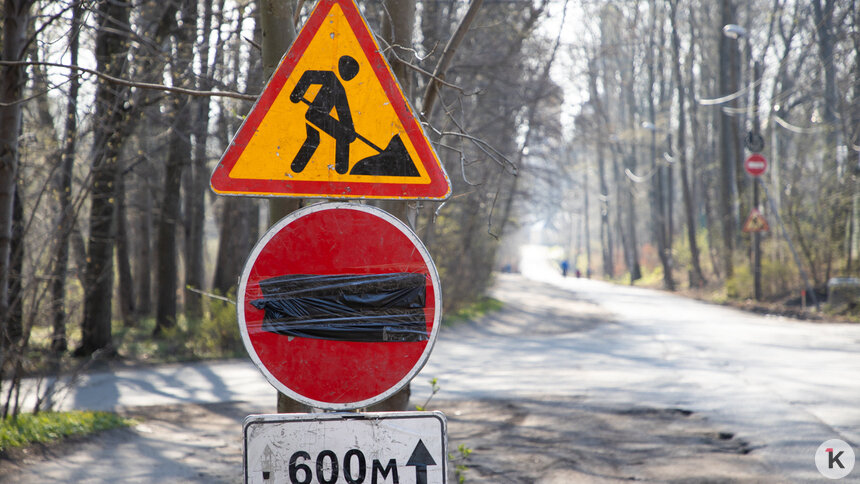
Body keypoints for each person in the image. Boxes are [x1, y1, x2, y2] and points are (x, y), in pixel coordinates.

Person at [290, 55, 360, 174]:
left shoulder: (340, 89)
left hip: (317, 116)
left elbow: (344, 113)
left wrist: (350, 131)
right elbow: (308, 76)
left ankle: (296, 168)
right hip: (315, 114)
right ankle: (341, 168)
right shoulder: (330, 77)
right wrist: (296, 94)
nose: (350, 77)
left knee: (314, 140)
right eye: (351, 73)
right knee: (341, 136)